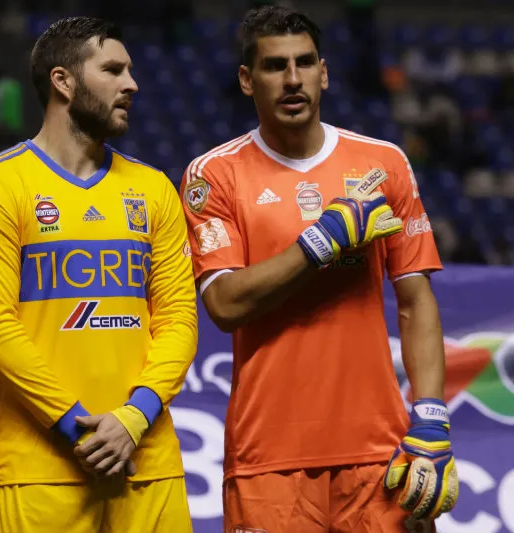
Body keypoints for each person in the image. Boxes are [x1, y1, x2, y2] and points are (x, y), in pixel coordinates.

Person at [180, 6, 458, 533]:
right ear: (247, 80)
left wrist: (431, 416)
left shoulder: (384, 165)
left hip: (380, 456)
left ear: (324, 73)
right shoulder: (214, 175)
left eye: (305, 63)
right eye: (274, 65)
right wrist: (321, 241)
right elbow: (224, 304)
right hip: (268, 461)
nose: (292, 79)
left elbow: (417, 302)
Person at [0, 16, 197, 533]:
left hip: (147, 469)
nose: (131, 84)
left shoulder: (156, 190)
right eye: (113, 69)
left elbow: (179, 320)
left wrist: (133, 419)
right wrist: (78, 426)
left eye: (130, 70)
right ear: (63, 81)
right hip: (38, 472)